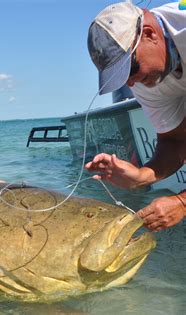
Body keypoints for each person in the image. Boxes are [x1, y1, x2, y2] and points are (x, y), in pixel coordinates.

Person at [86, 1, 185, 232]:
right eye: (121, 77)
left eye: (130, 69)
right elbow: (176, 141)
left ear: (149, 34)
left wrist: (182, 202)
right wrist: (142, 176)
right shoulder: (144, 81)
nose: (130, 83)